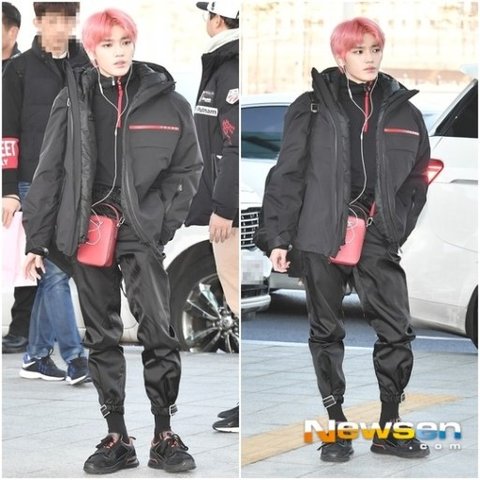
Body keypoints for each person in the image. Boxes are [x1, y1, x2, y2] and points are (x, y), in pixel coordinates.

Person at [23, 8, 203, 475]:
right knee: (102, 335)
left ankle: (164, 434)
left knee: (158, 330)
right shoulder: (73, 99)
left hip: (140, 232)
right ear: (92, 50)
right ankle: (117, 436)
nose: (119, 51)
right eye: (108, 44)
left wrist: (158, 222)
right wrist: (36, 241)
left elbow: (188, 169)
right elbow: (49, 171)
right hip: (89, 232)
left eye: (125, 42)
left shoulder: (169, 101)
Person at [260, 17, 431, 462]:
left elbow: (417, 178)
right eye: (359, 51)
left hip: (377, 236)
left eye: (375, 49)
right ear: (341, 56)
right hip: (320, 234)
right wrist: (278, 236)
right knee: (326, 332)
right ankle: (336, 427)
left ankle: (389, 427)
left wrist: (396, 225)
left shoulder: (404, 111)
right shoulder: (312, 107)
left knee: (396, 331)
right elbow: (287, 173)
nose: (369, 58)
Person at [2, 2, 89, 384]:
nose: (59, 28)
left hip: (73, 183)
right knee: (55, 271)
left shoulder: (85, 63)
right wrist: (8, 190)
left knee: (50, 270)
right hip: (31, 182)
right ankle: (75, 357)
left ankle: (36, 356)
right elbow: (7, 134)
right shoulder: (18, 69)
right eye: (51, 20)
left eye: (66, 19)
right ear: (38, 22)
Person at [188, 0, 239, 434]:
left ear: (217, 19)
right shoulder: (222, 62)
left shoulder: (232, 65)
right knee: (234, 301)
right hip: (221, 206)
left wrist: (223, 206)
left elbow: (233, 144)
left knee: (236, 301)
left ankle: (246, 403)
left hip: (229, 214)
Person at [2, 1, 37, 355]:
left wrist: (10, 186)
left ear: (12, 32)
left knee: (25, 252)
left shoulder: (24, 71)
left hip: (17, 177)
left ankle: (23, 328)